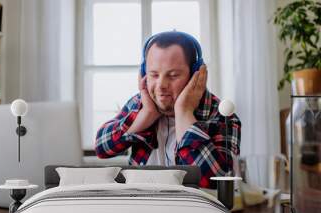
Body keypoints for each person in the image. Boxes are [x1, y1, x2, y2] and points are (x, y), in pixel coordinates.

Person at [95, 31, 241, 188]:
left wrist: (184, 112)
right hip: (142, 204)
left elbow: (218, 182)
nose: (161, 86)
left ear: (195, 75)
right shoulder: (141, 103)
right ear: (144, 73)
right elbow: (102, 149)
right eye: (154, 75)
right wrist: (145, 115)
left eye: (172, 75)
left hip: (191, 209)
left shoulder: (222, 115)